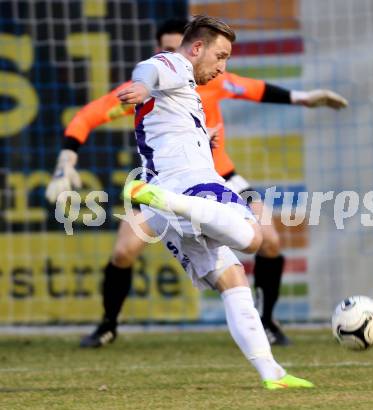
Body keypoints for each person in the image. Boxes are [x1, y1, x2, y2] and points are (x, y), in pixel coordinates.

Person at [46, 18, 347, 348]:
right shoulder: (148, 87)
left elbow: (257, 89)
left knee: (270, 240)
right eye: (168, 49)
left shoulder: (215, 79)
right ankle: (108, 325)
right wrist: (67, 159)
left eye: (181, 48)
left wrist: (305, 98)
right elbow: (88, 115)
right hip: (165, 182)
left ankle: (267, 322)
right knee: (123, 251)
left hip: (222, 177)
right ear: (160, 51)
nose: (177, 56)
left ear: (196, 48)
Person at [115, 14, 316, 389]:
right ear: (196, 48)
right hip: (188, 188)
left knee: (233, 279)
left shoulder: (182, 93)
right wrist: (141, 86)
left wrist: (201, 139)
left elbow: (164, 127)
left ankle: (272, 374)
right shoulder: (174, 63)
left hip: (165, 201)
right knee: (255, 239)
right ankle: (168, 201)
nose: (222, 68)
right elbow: (149, 68)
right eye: (220, 56)